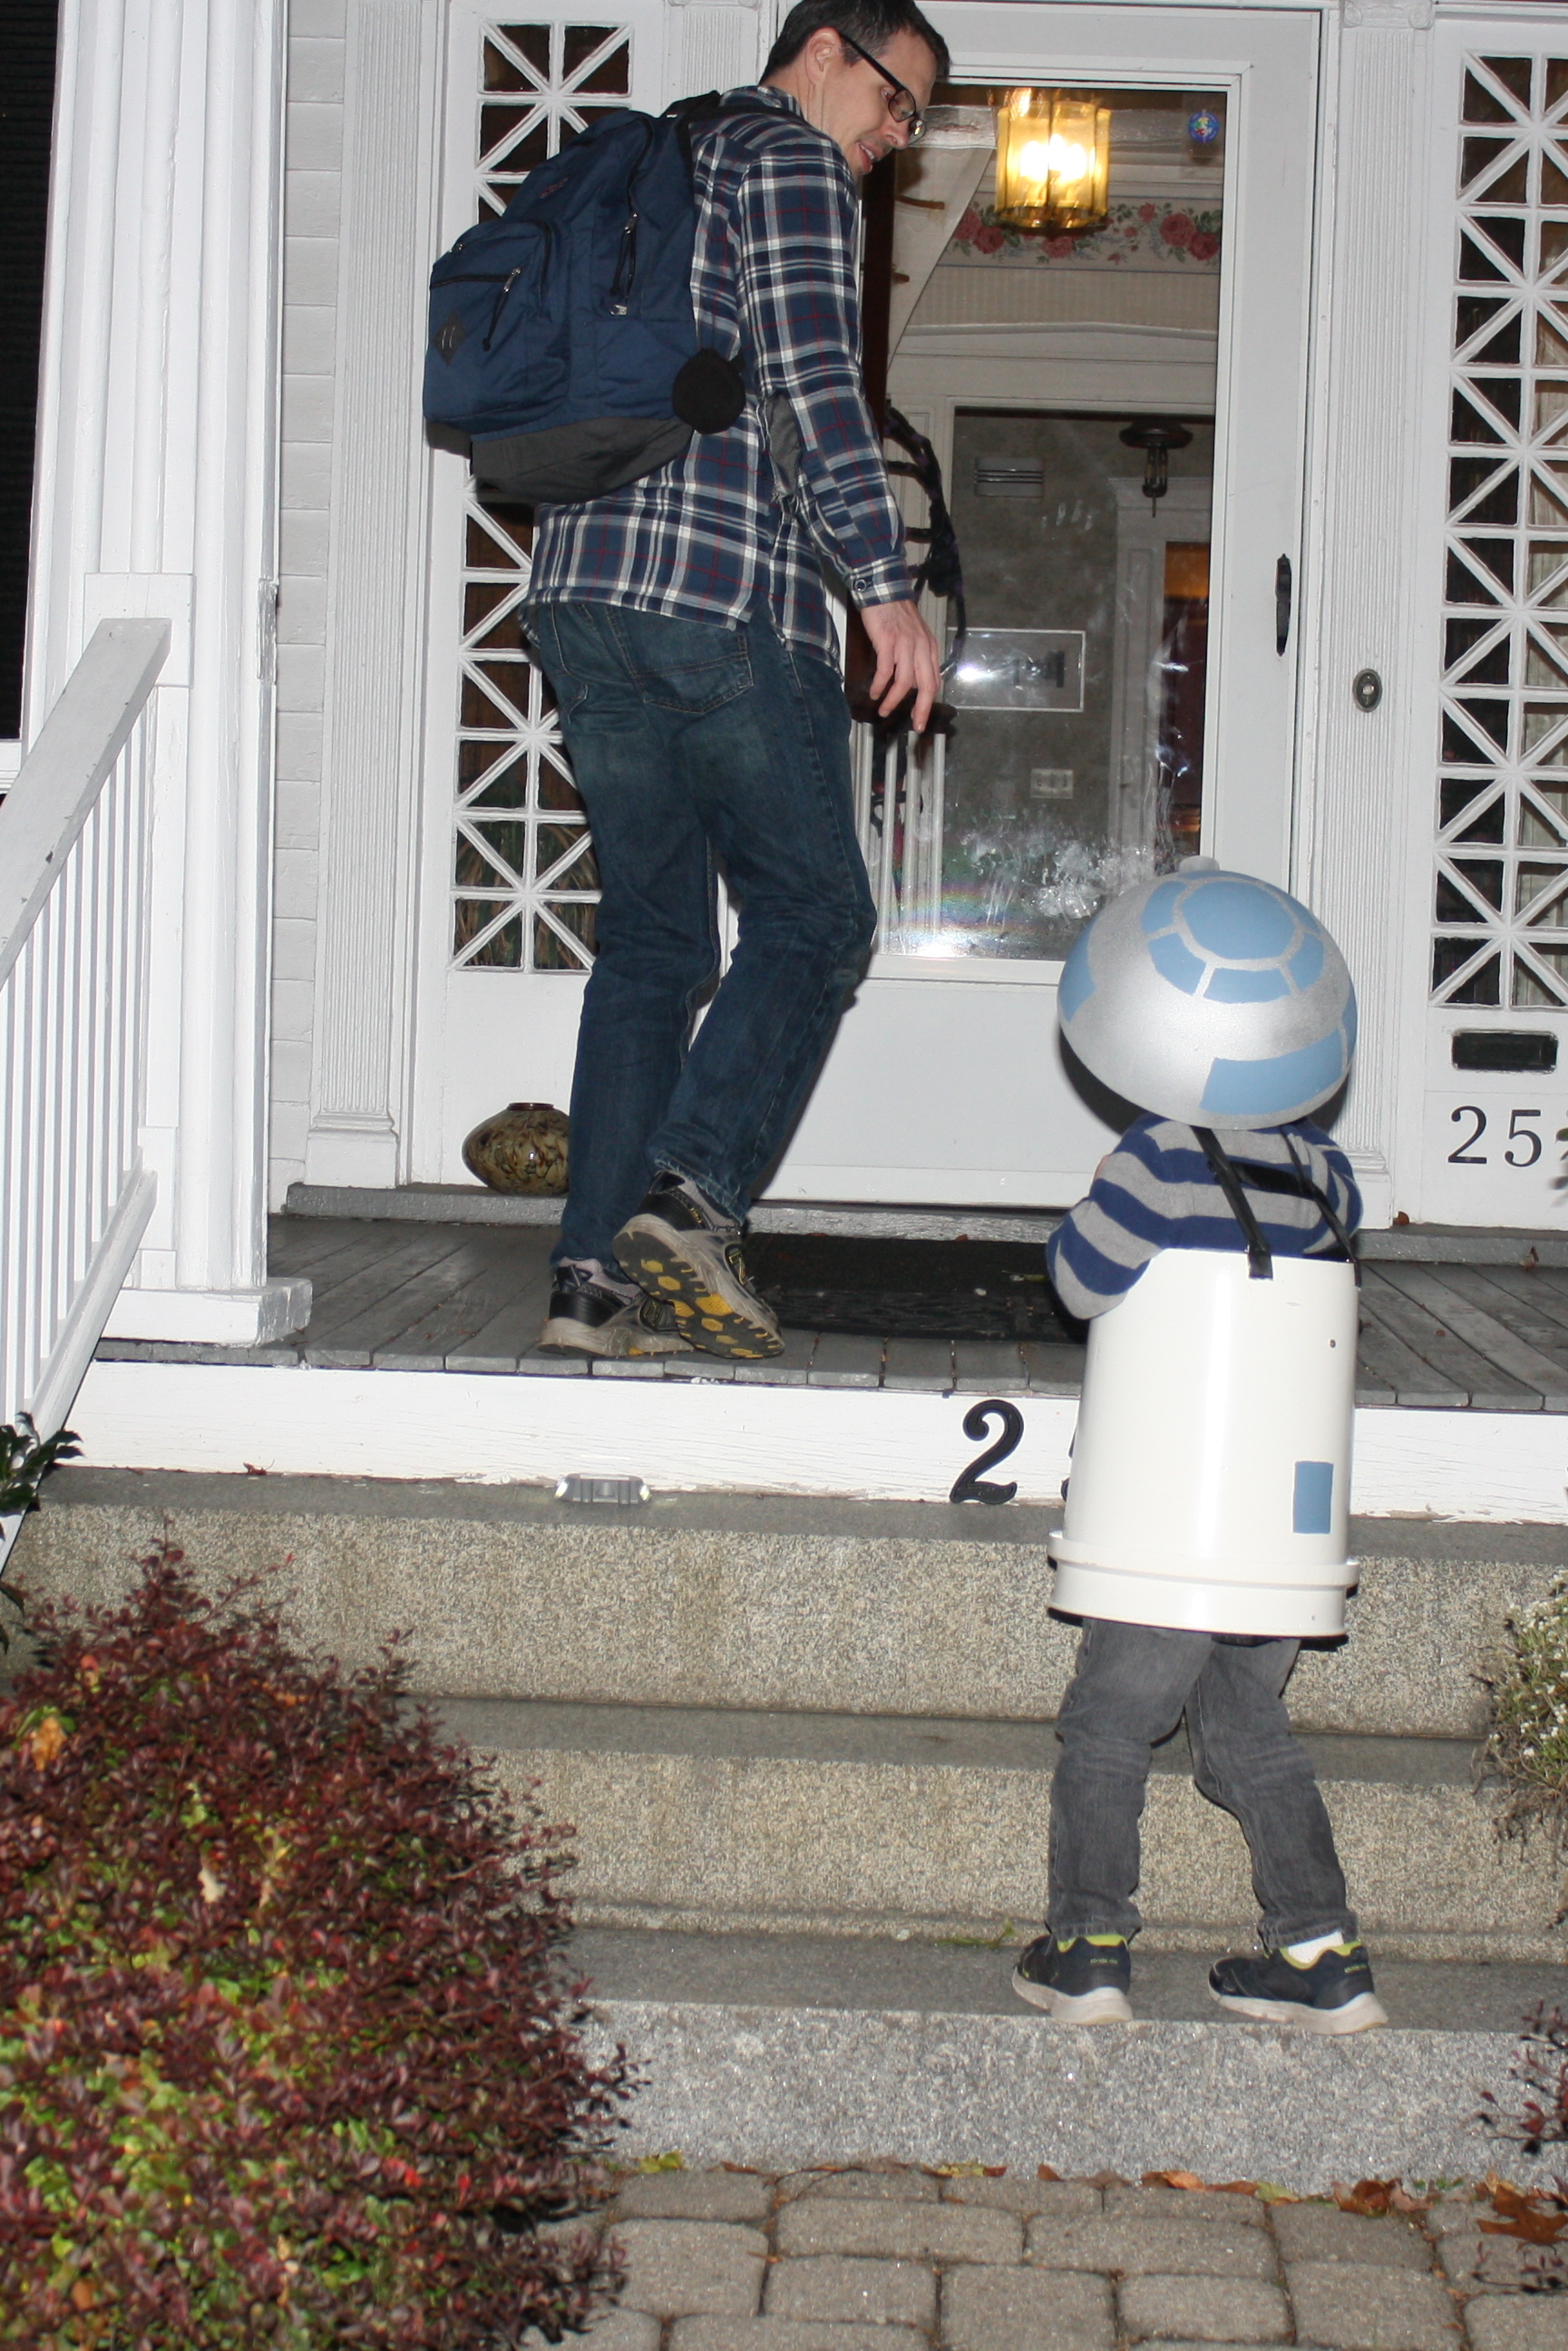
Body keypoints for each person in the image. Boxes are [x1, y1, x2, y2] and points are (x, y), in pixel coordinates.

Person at [526, 0, 947, 1361]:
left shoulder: (661, 157)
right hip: (718, 599)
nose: (898, 134)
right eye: (893, 98)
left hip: (581, 596)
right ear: (822, 51)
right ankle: (691, 1195)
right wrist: (881, 585)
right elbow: (814, 380)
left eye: (914, 117)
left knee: (653, 944)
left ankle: (591, 1287)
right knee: (817, 917)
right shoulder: (792, 159)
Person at [1012, 865, 1388, 2034]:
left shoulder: (1158, 1156)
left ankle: (1089, 1946)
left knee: (1110, 1726)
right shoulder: (1327, 1175)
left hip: (1168, 1512)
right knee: (1247, 1732)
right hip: (1279, 1526)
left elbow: (1081, 1281)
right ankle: (1322, 1952)